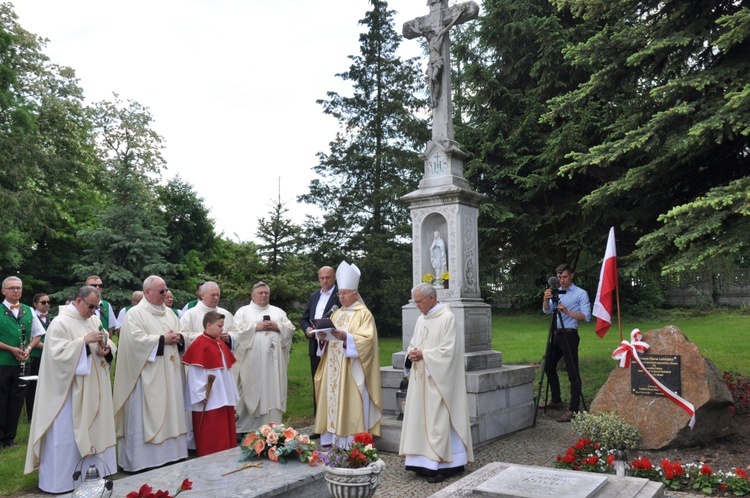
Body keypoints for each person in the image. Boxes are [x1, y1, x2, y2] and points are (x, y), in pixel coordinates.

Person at [24, 286, 116, 493]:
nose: (93, 311)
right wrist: (83, 342)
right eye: (90, 306)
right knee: (66, 435)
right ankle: (62, 482)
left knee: (93, 430)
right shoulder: (60, 323)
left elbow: (105, 341)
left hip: (92, 386)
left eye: (96, 307)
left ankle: (93, 475)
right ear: (77, 301)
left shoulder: (92, 320)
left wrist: (106, 349)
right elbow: (57, 356)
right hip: (67, 393)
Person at [113, 275, 188, 471]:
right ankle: (142, 460)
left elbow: (182, 334)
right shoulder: (135, 314)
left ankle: (173, 454)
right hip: (146, 376)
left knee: (172, 409)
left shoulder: (170, 313)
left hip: (170, 374)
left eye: (166, 290)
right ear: (148, 292)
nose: (165, 294)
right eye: (161, 291)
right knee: (146, 413)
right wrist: (162, 339)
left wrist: (180, 338)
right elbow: (133, 342)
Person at [400, 283, 473, 483]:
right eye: (415, 302)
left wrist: (424, 354)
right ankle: (422, 463)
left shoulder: (447, 318)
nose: (417, 306)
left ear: (431, 298)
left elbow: (448, 352)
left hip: (439, 382)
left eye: (419, 301)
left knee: (439, 422)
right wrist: (411, 355)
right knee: (421, 421)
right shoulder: (421, 319)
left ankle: (449, 465)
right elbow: (413, 344)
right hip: (420, 379)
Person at [314, 261, 382, 447]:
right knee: (333, 399)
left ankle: (352, 441)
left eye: (344, 293)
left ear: (356, 293)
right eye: (340, 293)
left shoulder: (364, 314)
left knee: (350, 402)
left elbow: (367, 341)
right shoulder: (336, 314)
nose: (341, 297)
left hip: (352, 368)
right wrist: (322, 337)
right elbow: (328, 340)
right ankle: (332, 439)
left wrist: (347, 338)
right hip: (334, 368)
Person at [233, 282, 294, 433]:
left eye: (266, 293)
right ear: (252, 295)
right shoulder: (243, 311)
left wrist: (277, 326)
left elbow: (290, 328)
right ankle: (246, 429)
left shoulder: (278, 312)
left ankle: (273, 426)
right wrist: (255, 327)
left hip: (273, 365)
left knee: (273, 389)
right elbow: (236, 332)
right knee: (250, 390)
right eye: (260, 293)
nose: (263, 295)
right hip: (251, 363)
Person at [182, 311, 239, 456]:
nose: (222, 329)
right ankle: (211, 455)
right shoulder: (200, 344)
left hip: (223, 394)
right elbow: (195, 373)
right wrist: (200, 394)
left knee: (224, 428)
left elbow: (227, 370)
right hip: (210, 397)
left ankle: (227, 452)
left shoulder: (219, 343)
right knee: (211, 429)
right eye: (219, 326)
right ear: (208, 325)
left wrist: (231, 392)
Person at [541, 263, 591, 422]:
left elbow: (586, 316)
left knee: (572, 371)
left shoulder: (580, 293)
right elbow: (547, 310)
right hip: (555, 332)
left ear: (572, 276)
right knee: (548, 366)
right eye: (559, 277)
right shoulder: (556, 291)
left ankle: (574, 410)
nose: (561, 280)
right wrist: (546, 299)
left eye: (564, 277)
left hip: (569, 334)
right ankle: (556, 400)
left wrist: (567, 311)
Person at [0, 276, 45, 448]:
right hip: (2, 363)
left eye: (18, 288)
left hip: (23, 363)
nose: (16, 291)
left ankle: (10, 438)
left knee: (17, 400)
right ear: (3, 291)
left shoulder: (28, 311)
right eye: (11, 288)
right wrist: (11, 349)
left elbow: (38, 333)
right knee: (1, 400)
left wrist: (28, 349)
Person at [299, 266, 339, 418]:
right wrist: (308, 329)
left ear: (334, 278)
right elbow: (304, 318)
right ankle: (319, 421)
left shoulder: (339, 296)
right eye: (322, 278)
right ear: (318, 279)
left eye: (328, 277)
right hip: (315, 346)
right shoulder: (314, 296)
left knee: (332, 383)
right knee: (317, 383)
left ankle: (334, 419)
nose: (325, 281)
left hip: (332, 346)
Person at [180, 282, 235, 348]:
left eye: (218, 295)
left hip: (221, 355)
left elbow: (237, 334)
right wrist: (206, 336)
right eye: (213, 295)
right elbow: (183, 336)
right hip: (201, 355)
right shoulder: (190, 314)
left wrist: (229, 337)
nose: (216, 298)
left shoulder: (226, 314)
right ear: (202, 295)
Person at [25, 293, 53, 422]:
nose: (46, 304)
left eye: (48, 302)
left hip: (49, 356)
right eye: (43, 302)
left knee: (48, 385)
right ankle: (31, 415)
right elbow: (30, 337)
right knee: (33, 386)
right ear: (35, 304)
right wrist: (46, 346)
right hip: (35, 355)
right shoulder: (31, 317)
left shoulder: (51, 318)